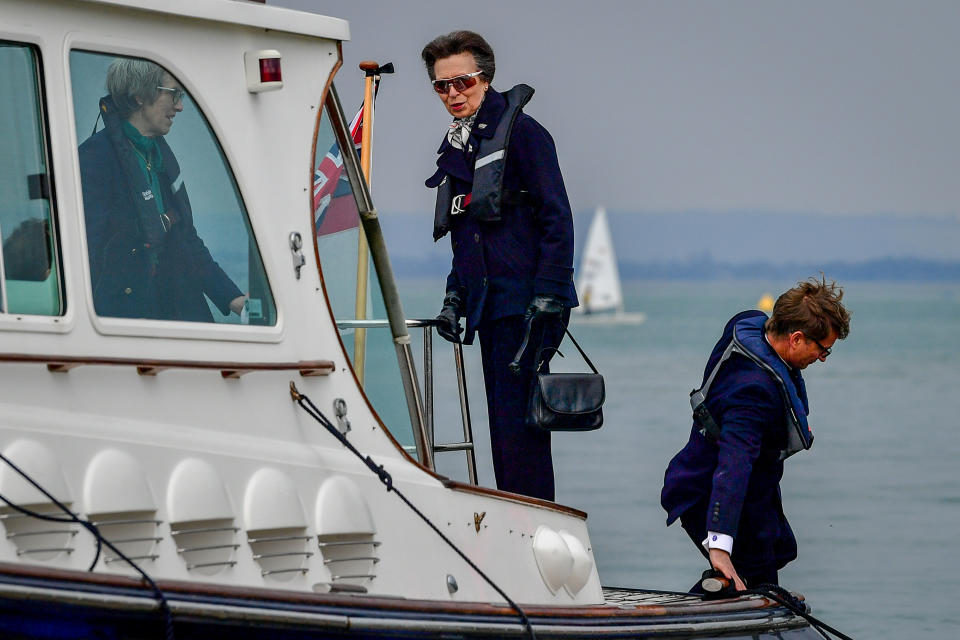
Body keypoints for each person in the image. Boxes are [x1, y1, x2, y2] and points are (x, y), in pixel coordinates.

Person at [421, 31, 578, 501]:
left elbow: (557, 216)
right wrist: (455, 297)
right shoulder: (458, 145)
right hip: (490, 308)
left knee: (522, 431)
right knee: (503, 427)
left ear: (485, 79)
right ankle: (518, 520)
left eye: (462, 81)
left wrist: (549, 293)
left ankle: (534, 529)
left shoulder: (524, 134)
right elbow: (467, 237)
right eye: (441, 86)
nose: (453, 93)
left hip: (528, 306)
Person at [661, 276, 851, 590]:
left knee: (779, 550)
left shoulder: (751, 323)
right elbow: (734, 464)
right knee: (748, 578)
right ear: (796, 338)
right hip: (708, 491)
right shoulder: (753, 391)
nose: (822, 358)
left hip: (754, 490)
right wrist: (720, 545)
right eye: (823, 350)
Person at [78, 58, 245, 322]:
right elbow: (89, 250)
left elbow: (185, 238)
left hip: (170, 307)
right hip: (125, 324)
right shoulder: (95, 157)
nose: (179, 106)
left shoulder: (160, 156)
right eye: (173, 94)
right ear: (139, 96)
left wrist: (237, 301)